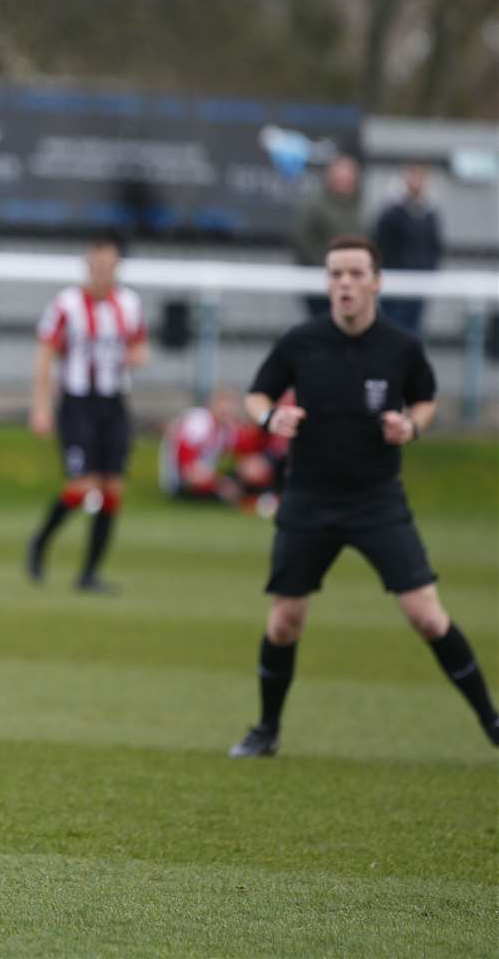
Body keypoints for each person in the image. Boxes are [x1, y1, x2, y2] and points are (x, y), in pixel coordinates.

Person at [228, 235, 499, 758]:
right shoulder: (300, 341)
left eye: (355, 274)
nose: (344, 284)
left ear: (377, 281)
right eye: (335, 274)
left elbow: (425, 399)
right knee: (285, 622)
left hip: (376, 500)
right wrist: (270, 416)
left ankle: (490, 719)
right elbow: (256, 393)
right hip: (307, 499)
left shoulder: (401, 346)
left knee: (426, 615)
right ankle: (266, 730)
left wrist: (411, 426)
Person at [25, 232, 149, 593]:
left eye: (108, 264)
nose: (101, 271)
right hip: (78, 402)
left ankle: (89, 573)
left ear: (117, 265)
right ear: (87, 264)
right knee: (83, 485)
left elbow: (141, 347)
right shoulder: (66, 305)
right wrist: (41, 406)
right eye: (95, 264)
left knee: (112, 488)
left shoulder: (129, 303)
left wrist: (136, 357)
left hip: (114, 402)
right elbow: (45, 355)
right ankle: (41, 541)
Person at [159, 387, 285, 516]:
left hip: (206, 477)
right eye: (223, 405)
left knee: (255, 467)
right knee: (232, 486)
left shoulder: (224, 427)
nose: (227, 410)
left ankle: (267, 500)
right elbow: (189, 471)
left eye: (231, 406)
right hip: (182, 484)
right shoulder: (198, 423)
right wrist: (220, 484)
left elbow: (249, 447)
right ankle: (259, 502)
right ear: (212, 405)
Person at [374, 164, 443, 336]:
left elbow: (434, 245)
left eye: (421, 178)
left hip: (421, 280)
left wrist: (430, 270)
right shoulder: (391, 212)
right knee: (394, 328)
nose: (416, 183)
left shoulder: (430, 212)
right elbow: (381, 244)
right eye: (413, 177)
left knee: (414, 329)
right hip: (395, 280)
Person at [290, 154, 361, 318]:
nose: (346, 182)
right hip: (319, 279)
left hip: (351, 282)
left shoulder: (357, 205)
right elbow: (302, 239)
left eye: (349, 177)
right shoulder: (313, 205)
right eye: (341, 177)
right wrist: (328, 265)